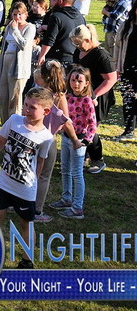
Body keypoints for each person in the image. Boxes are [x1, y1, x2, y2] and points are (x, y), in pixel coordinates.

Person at [0, 88, 54, 269]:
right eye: (26, 105)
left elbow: (40, 162)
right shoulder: (14, 121)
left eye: (32, 107)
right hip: (4, 182)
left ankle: (27, 260)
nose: (26, 110)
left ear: (46, 111)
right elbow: (0, 141)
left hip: (25, 189)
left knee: (25, 223)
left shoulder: (46, 138)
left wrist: (34, 183)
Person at [33, 60, 82, 223]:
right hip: (48, 140)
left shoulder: (36, 92)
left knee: (28, 171)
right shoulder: (58, 97)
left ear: (42, 75)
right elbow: (66, 121)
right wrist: (75, 140)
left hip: (31, 136)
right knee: (43, 175)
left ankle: (19, 203)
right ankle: (37, 210)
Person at [48, 65, 96, 220]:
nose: (76, 84)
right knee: (65, 170)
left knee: (77, 173)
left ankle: (77, 207)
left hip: (79, 140)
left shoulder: (87, 101)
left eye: (79, 81)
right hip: (66, 137)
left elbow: (93, 124)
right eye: (73, 80)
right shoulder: (67, 97)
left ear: (86, 83)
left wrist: (85, 141)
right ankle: (66, 198)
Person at [70, 24, 117, 174]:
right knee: (78, 126)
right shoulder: (79, 51)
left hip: (98, 97)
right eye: (74, 43)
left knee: (89, 129)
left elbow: (111, 79)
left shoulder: (101, 56)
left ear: (87, 40)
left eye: (78, 43)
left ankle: (98, 159)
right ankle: (83, 157)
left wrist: (93, 95)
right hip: (80, 96)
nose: (76, 46)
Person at [0, 2, 36, 124]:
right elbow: (4, 47)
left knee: (14, 100)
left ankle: (14, 128)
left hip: (19, 66)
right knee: (2, 98)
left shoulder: (30, 27)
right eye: (14, 14)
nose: (17, 17)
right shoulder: (9, 26)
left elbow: (24, 44)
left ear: (26, 14)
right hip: (6, 62)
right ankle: (4, 127)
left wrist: (15, 30)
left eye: (20, 14)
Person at [37, 0, 85, 67]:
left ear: (60, 1)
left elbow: (49, 39)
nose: (50, 1)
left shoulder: (56, 16)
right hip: (75, 56)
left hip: (57, 58)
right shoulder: (80, 16)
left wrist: (42, 56)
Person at [114, 0, 137, 141]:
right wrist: (116, 66)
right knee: (128, 100)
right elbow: (117, 46)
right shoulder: (127, 25)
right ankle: (128, 130)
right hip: (126, 68)